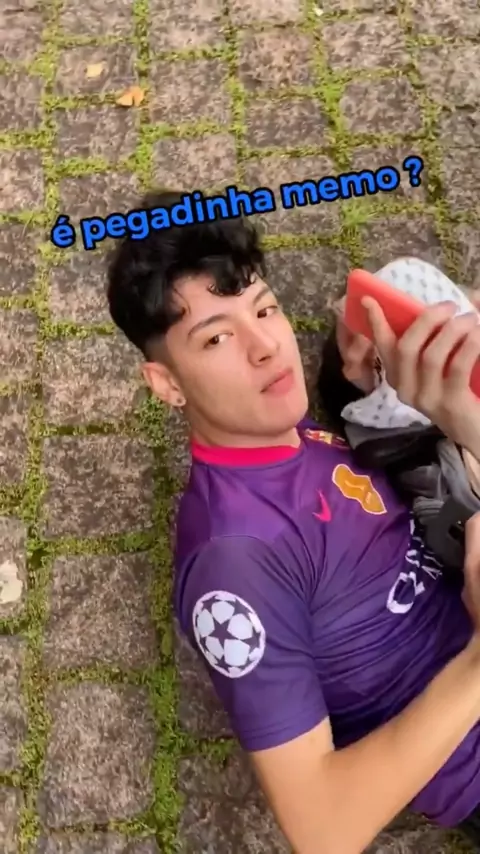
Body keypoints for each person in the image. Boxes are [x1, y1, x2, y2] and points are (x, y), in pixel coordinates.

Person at [106, 189, 480, 854]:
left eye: (264, 309)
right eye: (216, 337)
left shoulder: (288, 433)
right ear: (166, 384)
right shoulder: (234, 566)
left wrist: (365, 382)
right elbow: (322, 829)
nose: (264, 348)